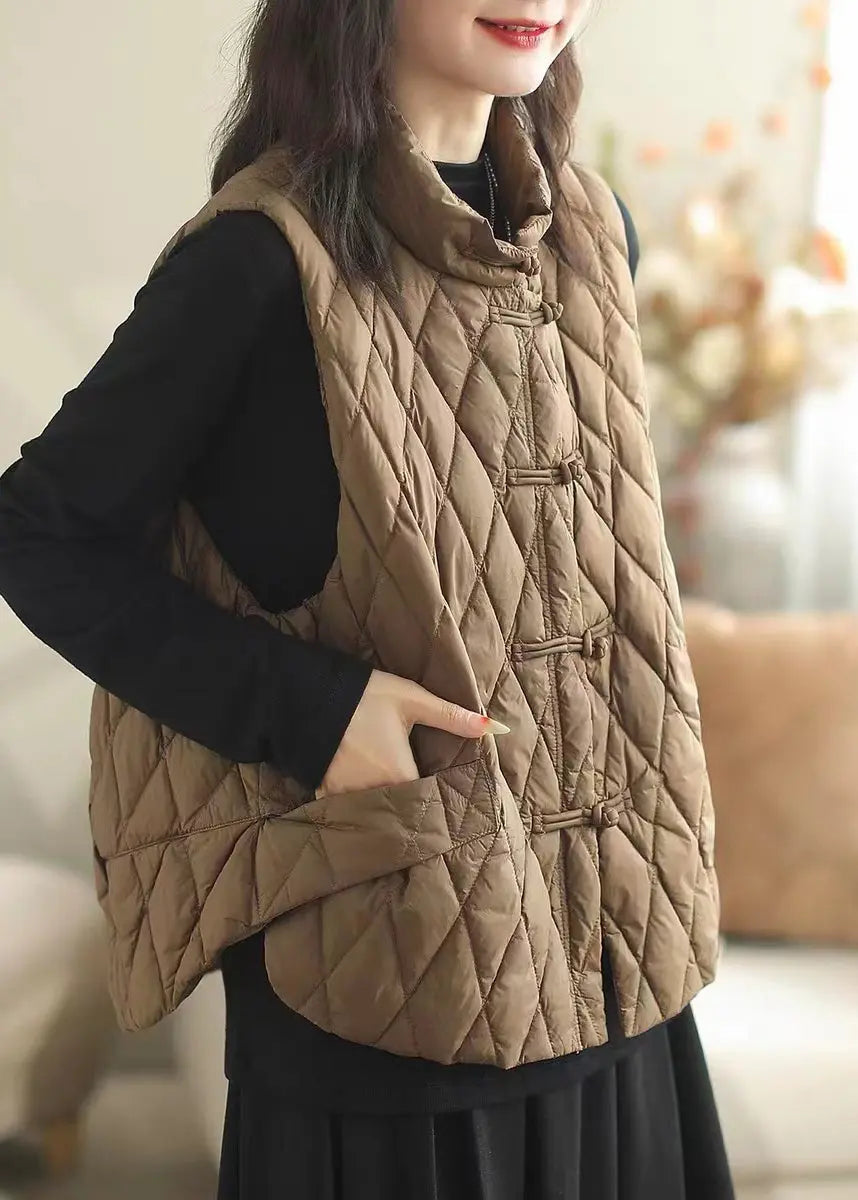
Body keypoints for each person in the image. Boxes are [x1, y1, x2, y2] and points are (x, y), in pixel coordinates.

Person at [0, 1, 736, 1197]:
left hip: (623, 975)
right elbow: (40, 533)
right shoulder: (257, 259)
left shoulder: (596, 232)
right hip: (393, 984)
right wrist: (311, 709)